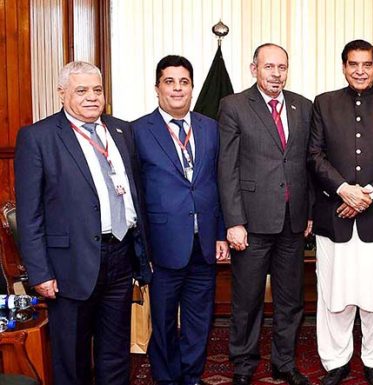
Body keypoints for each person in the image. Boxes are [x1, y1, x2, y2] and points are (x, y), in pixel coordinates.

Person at [14, 61, 151, 385]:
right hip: (69, 264)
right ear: (62, 94)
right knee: (72, 355)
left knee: (116, 349)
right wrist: (40, 272)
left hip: (120, 255)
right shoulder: (39, 137)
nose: (92, 97)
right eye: (81, 90)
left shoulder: (121, 130)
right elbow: (30, 213)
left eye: (97, 90)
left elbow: (134, 193)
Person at [308, 39, 373, 385]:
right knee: (334, 297)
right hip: (334, 217)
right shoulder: (323, 104)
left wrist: (367, 194)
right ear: (343, 66)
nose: (360, 71)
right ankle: (335, 361)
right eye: (353, 64)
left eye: (366, 64)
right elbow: (314, 156)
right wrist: (344, 189)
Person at [218, 43, 313, 385]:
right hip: (252, 224)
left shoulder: (304, 106)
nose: (276, 74)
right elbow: (226, 168)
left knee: (291, 301)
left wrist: (310, 213)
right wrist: (233, 222)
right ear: (253, 68)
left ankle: (283, 363)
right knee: (247, 301)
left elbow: (307, 163)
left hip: (293, 222)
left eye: (282, 67)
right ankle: (243, 365)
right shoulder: (234, 106)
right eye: (269, 66)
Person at [131, 55, 228, 385]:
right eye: (169, 82)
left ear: (192, 87)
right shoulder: (136, 131)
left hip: (204, 244)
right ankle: (166, 378)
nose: (177, 88)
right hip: (163, 246)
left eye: (183, 82)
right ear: (157, 88)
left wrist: (221, 234)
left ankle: (191, 376)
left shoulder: (210, 127)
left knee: (200, 319)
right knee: (162, 320)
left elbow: (220, 182)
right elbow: (135, 193)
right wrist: (142, 249)